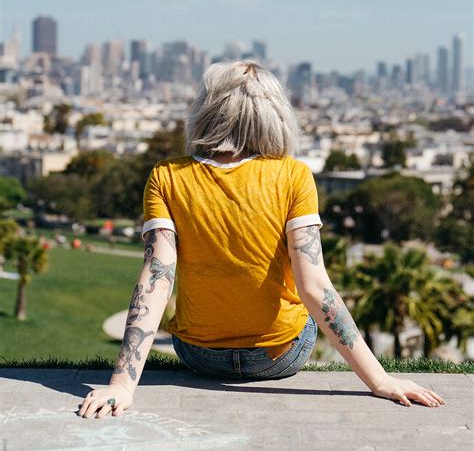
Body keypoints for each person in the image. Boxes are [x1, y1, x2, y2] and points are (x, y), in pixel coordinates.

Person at [78, 60, 445, 419]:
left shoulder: (166, 176)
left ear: (205, 111)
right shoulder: (294, 176)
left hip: (199, 355)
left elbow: (157, 277)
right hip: (280, 358)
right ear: (275, 114)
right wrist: (378, 379)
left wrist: (122, 385)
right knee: (303, 315)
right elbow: (315, 287)